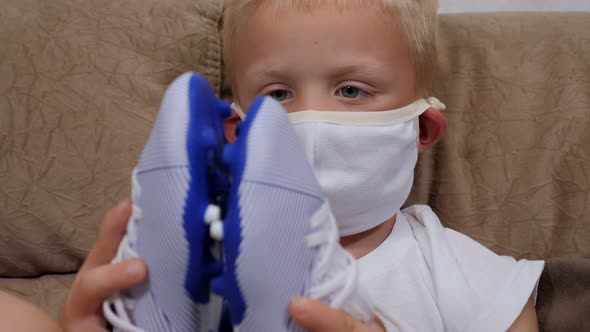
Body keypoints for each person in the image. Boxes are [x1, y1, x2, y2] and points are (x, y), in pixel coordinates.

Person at [1, 0, 543, 331]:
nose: (309, 118)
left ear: (420, 130)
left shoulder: (443, 261)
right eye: (278, 94)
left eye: (351, 89)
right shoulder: (189, 242)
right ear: (234, 132)